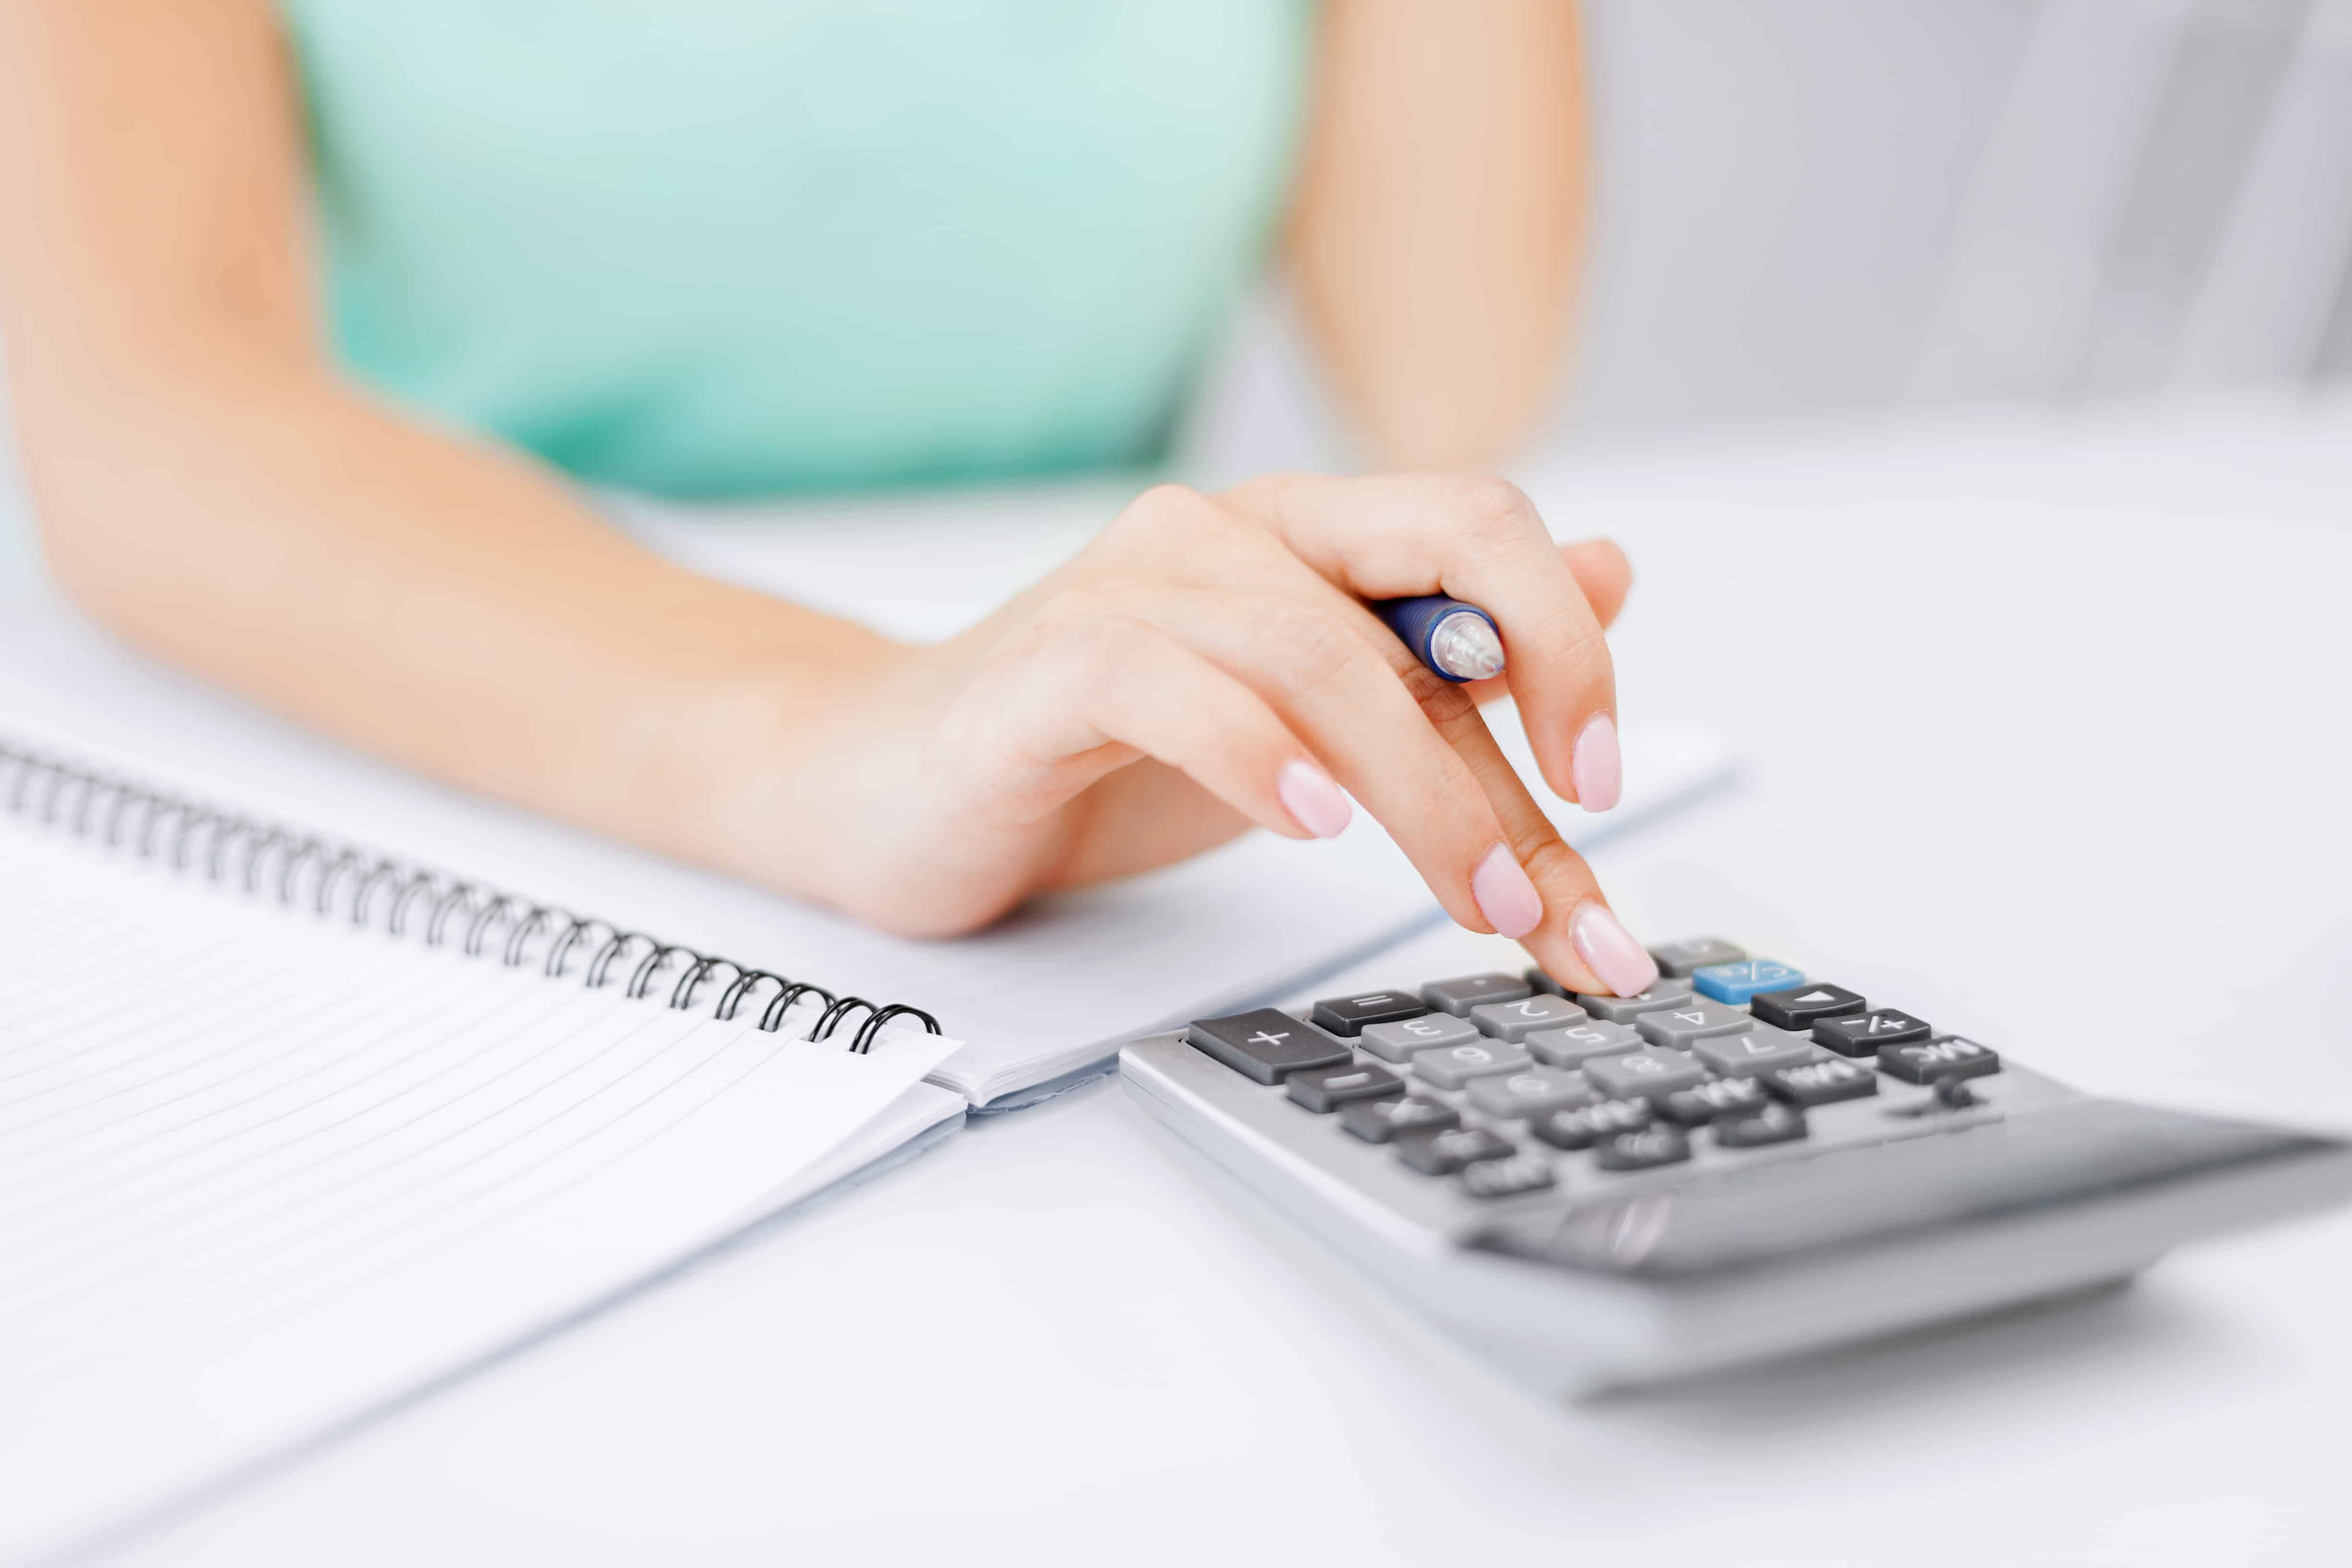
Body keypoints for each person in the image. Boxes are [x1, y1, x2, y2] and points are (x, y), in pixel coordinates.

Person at [0, 1, 1660, 1000]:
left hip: (1063, 791)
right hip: (391, 741)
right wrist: (839, 733)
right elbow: (145, 409)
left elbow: (1455, 356)